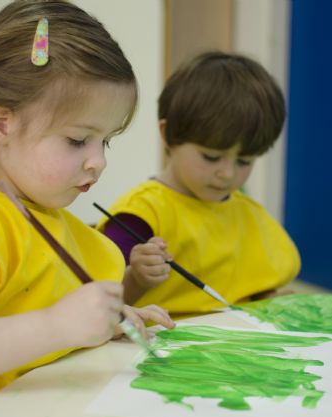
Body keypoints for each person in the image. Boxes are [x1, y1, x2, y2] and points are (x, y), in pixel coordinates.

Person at [0, 1, 174, 417]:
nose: (98, 161)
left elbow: (35, 309)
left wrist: (105, 321)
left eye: (106, 141)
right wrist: (58, 326)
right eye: (78, 140)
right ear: (1, 125)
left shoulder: (44, 213)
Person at [97, 51, 301, 317]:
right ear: (168, 134)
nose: (227, 174)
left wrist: (268, 300)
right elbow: (98, 303)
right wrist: (137, 278)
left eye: (244, 161)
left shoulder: (248, 214)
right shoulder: (141, 214)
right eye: (212, 157)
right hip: (164, 348)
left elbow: (253, 285)